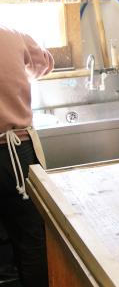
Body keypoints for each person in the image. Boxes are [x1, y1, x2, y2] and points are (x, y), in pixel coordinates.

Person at [0, 25, 53, 286]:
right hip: (16, 154)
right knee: (31, 237)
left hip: (14, 150)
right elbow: (43, 64)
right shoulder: (11, 35)